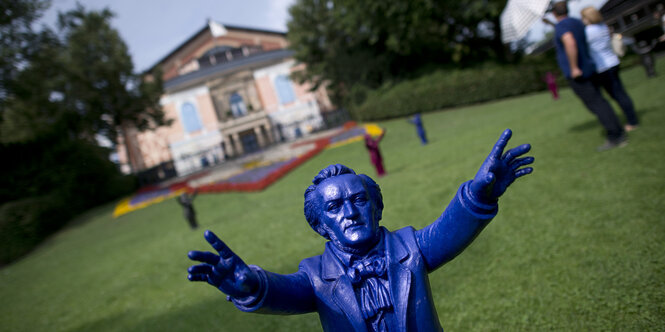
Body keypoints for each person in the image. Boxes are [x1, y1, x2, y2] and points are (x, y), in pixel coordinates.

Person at [187, 129, 534, 331]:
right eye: (335, 208)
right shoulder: (316, 277)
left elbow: (449, 230)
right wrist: (251, 287)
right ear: (321, 225)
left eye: (359, 200)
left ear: (378, 207)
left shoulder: (410, 248)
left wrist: (477, 194)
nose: (350, 213)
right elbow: (285, 292)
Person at [550, 1, 626, 151]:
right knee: (600, 101)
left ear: (554, 14)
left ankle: (615, 135)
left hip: (578, 73)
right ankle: (618, 131)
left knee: (596, 104)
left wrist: (573, 67)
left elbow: (570, 42)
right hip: (589, 68)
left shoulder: (561, 27)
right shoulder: (577, 22)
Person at [581, 6, 639, 132]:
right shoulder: (603, 27)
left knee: (617, 95)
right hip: (613, 62)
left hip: (603, 67)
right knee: (620, 93)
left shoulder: (589, 31)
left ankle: (632, 121)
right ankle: (632, 118)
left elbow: (579, 44)